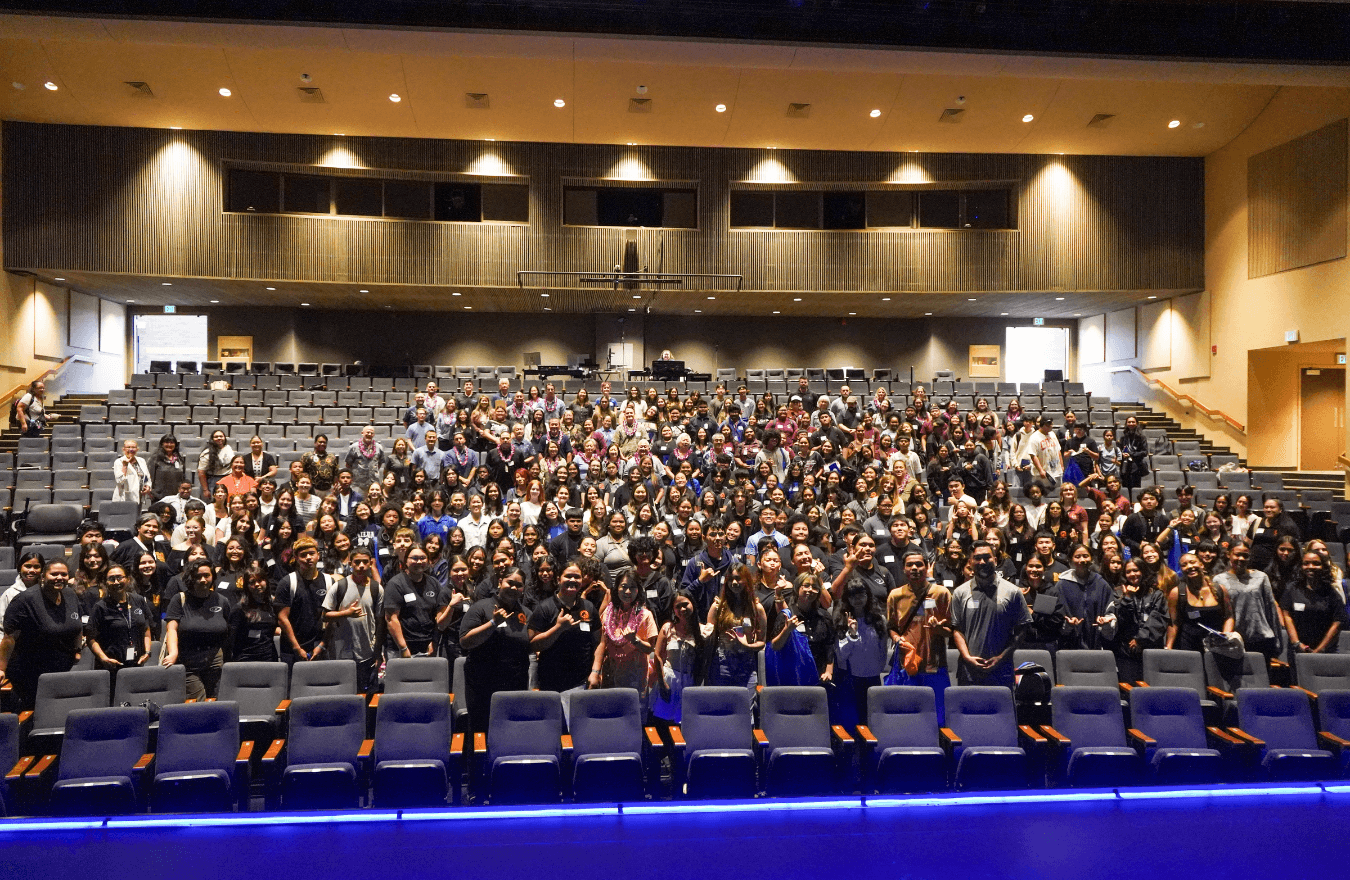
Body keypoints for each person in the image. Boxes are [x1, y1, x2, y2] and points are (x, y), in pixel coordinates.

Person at [0, 558, 82, 710]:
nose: (59, 578)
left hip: (61, 667)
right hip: (30, 671)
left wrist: (77, 649)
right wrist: (1, 669)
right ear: (43, 576)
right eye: (54, 574)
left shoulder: (70, 595)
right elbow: (9, 638)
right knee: (36, 711)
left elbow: (77, 624)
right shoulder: (25, 600)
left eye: (63, 574)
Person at [459, 565, 533, 730]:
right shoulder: (481, 607)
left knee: (512, 729)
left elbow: (532, 644)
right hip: (482, 685)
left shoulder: (526, 613)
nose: (514, 587)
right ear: (500, 582)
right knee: (481, 731)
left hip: (515, 684)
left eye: (519, 585)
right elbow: (465, 641)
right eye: (510, 582)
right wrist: (492, 624)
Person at [951, 540, 1031, 688]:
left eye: (987, 557)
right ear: (970, 562)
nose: (982, 562)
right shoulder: (959, 593)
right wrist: (967, 657)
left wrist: (1001, 657)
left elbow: (1022, 629)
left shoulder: (1013, 592)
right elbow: (957, 629)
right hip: (968, 672)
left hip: (1002, 671)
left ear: (995, 560)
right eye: (977, 558)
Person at [885, 551, 953, 721]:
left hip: (935, 664)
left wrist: (938, 628)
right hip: (907, 665)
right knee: (908, 714)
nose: (914, 568)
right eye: (909, 565)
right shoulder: (895, 595)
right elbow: (891, 628)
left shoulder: (941, 593)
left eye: (919, 564)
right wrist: (896, 638)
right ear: (903, 569)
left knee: (938, 715)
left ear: (927, 567)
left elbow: (952, 631)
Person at [162, 559, 232, 700]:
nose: (202, 580)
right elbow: (171, 628)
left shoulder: (222, 600)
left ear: (212, 576)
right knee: (197, 701)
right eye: (198, 576)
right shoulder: (179, 599)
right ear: (190, 577)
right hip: (188, 660)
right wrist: (173, 652)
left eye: (206, 575)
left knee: (216, 701)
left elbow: (227, 630)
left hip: (215, 660)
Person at [590, 567, 659, 703]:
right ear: (616, 588)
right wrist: (595, 672)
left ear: (638, 590)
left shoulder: (645, 615)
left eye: (632, 587)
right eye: (624, 587)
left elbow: (650, 648)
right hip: (611, 672)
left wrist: (635, 640)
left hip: (634, 676)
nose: (628, 592)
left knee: (633, 716)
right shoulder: (608, 613)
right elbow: (602, 644)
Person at [323, 548, 383, 692]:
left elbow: (381, 622)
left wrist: (378, 651)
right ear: (350, 564)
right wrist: (346, 613)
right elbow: (325, 615)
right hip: (343, 652)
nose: (361, 565)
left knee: (367, 693)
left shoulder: (377, 589)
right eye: (357, 562)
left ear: (370, 563)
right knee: (344, 692)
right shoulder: (339, 586)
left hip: (367, 651)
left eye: (365, 562)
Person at [1213, 539, 1283, 660]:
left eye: (1245, 555)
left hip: (1260, 638)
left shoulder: (1261, 577)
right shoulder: (1219, 580)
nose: (1241, 558)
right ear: (1228, 554)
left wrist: (1277, 641)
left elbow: (1270, 609)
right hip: (1233, 639)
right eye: (1237, 554)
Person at [85, 563, 153, 685]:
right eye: (111, 579)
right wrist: (103, 658)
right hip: (111, 667)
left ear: (127, 579)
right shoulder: (100, 607)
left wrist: (147, 652)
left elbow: (146, 629)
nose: (116, 582)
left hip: (136, 665)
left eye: (120, 577)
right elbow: (91, 638)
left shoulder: (138, 600)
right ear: (106, 582)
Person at [382, 543, 452, 659]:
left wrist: (434, 642)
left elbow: (439, 617)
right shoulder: (395, 584)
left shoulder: (434, 583)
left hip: (428, 646)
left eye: (422, 558)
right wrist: (403, 647)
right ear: (406, 560)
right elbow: (391, 619)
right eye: (414, 558)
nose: (419, 562)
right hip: (401, 648)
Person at [275, 536, 335, 663]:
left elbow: (332, 617)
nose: (308, 557)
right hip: (292, 649)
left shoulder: (329, 581)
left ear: (318, 555)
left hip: (320, 647)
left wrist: (322, 645)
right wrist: (297, 648)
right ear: (296, 558)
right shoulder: (287, 582)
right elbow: (282, 618)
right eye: (303, 555)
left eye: (312, 553)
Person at [707, 563, 766, 689]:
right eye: (731, 579)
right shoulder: (718, 607)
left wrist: (746, 645)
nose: (734, 582)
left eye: (738, 578)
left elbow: (762, 642)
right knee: (723, 707)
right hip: (722, 664)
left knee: (745, 707)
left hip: (746, 665)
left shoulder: (756, 608)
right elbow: (708, 634)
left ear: (746, 580)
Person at [1282, 550, 1348, 656]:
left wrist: (1319, 650)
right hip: (1297, 650)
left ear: (1323, 567)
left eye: (1316, 563)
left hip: (1325, 652)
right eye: (1306, 563)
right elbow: (1287, 615)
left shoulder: (1331, 592)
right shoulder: (1292, 588)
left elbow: (1337, 622)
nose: (1310, 566)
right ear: (1301, 566)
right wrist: (1297, 644)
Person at [1166, 553, 1234, 652]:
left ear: (1201, 564)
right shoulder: (1177, 593)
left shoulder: (1220, 589)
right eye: (1184, 565)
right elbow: (1173, 623)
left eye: (1192, 562)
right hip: (1188, 648)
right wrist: (1169, 647)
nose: (1189, 566)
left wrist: (1225, 635)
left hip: (1216, 647)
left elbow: (1229, 616)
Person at [1054, 544, 1114, 650]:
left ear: (1091, 558)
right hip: (1068, 644)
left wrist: (1105, 623)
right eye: (1077, 557)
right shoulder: (1061, 585)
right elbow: (1056, 616)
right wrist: (1067, 625)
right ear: (1070, 559)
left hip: (1095, 643)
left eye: (1086, 556)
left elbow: (1110, 612)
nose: (1082, 560)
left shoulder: (1101, 584)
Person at [227, 561, 279, 663]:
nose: (257, 584)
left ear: (266, 582)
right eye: (252, 582)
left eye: (260, 580)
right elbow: (231, 640)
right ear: (246, 586)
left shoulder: (272, 605)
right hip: (245, 659)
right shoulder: (239, 608)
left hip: (269, 658)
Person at [112, 438, 153, 509]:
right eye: (128, 447)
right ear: (123, 449)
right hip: (124, 498)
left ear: (137, 449)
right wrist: (125, 465)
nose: (131, 449)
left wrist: (148, 486)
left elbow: (147, 477)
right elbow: (120, 481)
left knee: (136, 518)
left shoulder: (141, 460)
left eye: (133, 447)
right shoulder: (118, 462)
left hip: (139, 496)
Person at [149, 434, 188, 502]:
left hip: (176, 495)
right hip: (159, 496)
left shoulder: (179, 459)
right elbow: (150, 476)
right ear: (162, 444)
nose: (169, 445)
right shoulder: (155, 458)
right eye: (166, 442)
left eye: (172, 442)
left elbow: (183, 477)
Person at [198, 430, 235, 496]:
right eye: (216, 437)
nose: (219, 438)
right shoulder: (207, 452)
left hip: (228, 479)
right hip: (213, 481)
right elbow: (201, 472)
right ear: (212, 439)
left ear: (224, 438)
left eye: (221, 436)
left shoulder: (228, 448)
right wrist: (205, 490)